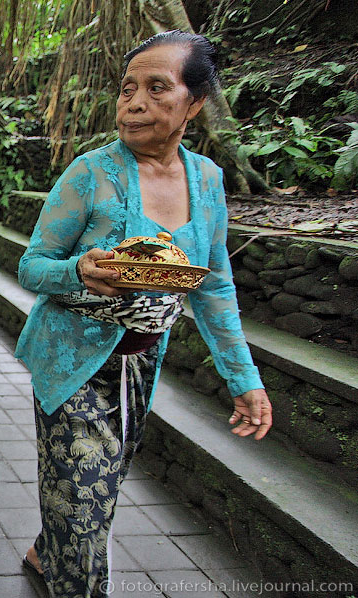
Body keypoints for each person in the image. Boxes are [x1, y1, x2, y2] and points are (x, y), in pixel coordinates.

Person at [14, 31, 272, 598]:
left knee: (95, 491)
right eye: (127, 88)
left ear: (195, 102)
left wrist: (243, 380)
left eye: (157, 89)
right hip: (73, 364)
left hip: (140, 367)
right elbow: (32, 266)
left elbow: (214, 286)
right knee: (84, 507)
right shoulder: (91, 174)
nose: (134, 103)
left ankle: (45, 548)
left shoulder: (206, 180)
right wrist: (78, 271)